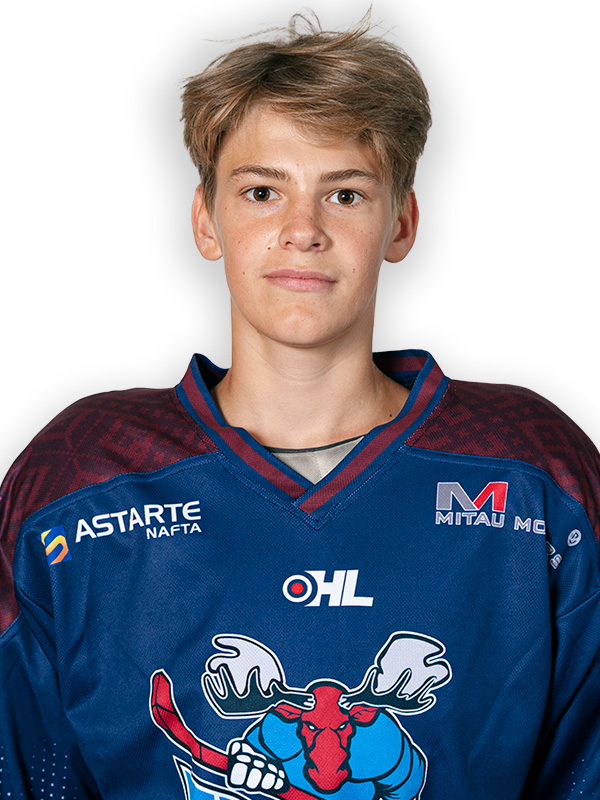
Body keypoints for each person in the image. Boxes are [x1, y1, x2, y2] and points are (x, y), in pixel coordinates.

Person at [1, 12, 599, 800]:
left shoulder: (532, 471)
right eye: (262, 192)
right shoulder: (78, 480)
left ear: (401, 222)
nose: (303, 230)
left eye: (344, 193)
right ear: (206, 220)